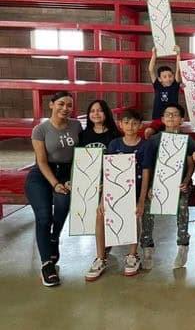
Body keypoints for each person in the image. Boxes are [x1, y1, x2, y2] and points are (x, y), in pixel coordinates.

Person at [25, 91, 82, 286]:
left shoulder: (76, 125)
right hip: (43, 175)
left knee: (63, 207)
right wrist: (55, 183)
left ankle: (53, 239)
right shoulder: (40, 130)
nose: (65, 108)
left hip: (66, 174)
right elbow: (41, 161)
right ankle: (47, 265)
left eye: (69, 105)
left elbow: (80, 155)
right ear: (51, 105)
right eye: (61, 104)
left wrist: (71, 179)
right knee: (43, 216)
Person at [85, 109, 147, 281]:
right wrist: (103, 199)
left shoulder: (145, 145)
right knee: (100, 216)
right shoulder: (114, 144)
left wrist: (141, 200)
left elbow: (147, 172)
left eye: (135, 123)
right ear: (120, 124)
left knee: (134, 216)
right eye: (126, 122)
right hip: (114, 191)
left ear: (140, 125)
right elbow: (108, 172)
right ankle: (100, 258)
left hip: (134, 190)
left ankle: (133, 255)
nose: (130, 126)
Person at [139, 103, 195, 270]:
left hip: (180, 185)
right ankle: (147, 246)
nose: (171, 117)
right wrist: (149, 187)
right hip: (155, 185)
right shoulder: (154, 141)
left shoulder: (188, 140)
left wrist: (186, 181)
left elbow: (191, 164)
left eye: (175, 114)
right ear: (162, 119)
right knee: (148, 210)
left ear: (182, 119)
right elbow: (147, 167)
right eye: (168, 114)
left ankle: (183, 245)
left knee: (183, 207)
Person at [145, 45, 181, 139]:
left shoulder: (175, 86)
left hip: (172, 119)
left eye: (170, 76)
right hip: (158, 118)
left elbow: (178, 70)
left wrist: (178, 54)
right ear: (160, 79)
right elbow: (150, 69)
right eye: (165, 77)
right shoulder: (157, 86)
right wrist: (154, 54)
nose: (168, 78)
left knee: (173, 136)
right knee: (148, 132)